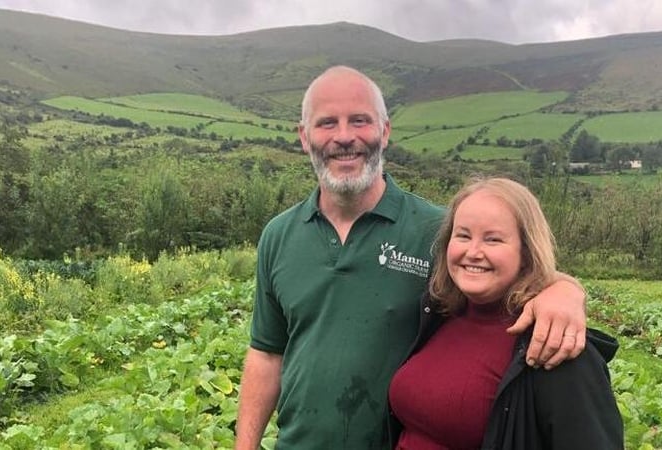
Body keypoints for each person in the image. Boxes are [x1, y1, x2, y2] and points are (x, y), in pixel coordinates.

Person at [234, 66, 588, 450]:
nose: (344, 137)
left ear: (385, 131)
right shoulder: (278, 235)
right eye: (326, 123)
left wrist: (565, 291)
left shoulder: (438, 231)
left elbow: (508, 270)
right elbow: (267, 354)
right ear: (304, 137)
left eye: (359, 120)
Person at [388, 177, 623, 450]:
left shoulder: (553, 344)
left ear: (526, 251)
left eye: (493, 239)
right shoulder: (439, 313)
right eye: (463, 235)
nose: (473, 252)